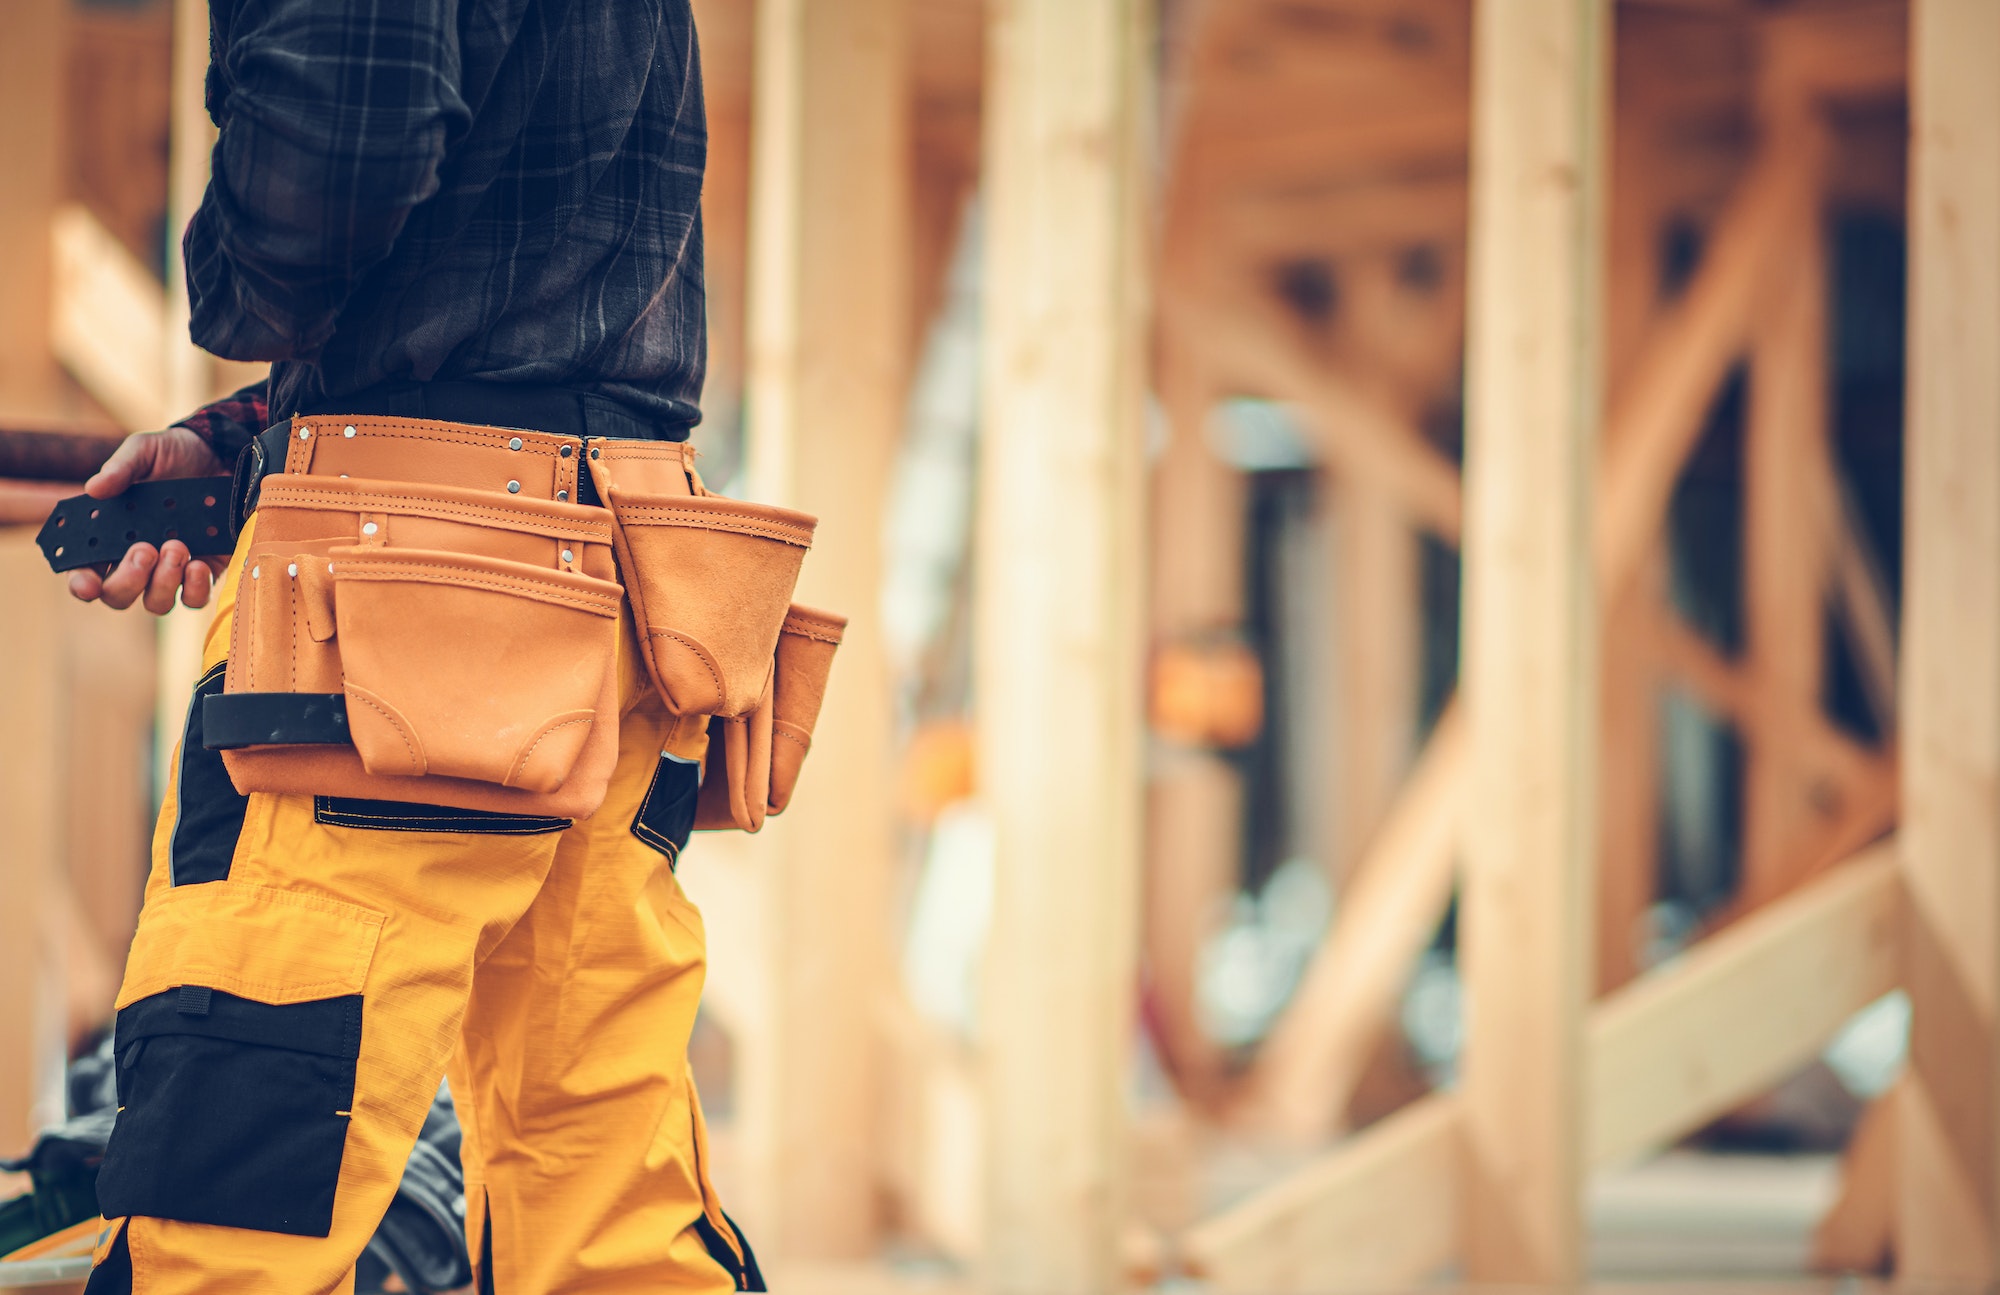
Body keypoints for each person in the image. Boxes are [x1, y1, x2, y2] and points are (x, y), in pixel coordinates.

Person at [70, 2, 763, 1291]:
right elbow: (530, 307)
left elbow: (346, 144)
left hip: (404, 590)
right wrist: (257, 439)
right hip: (620, 558)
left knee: (236, 1196)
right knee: (607, 1198)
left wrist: (243, 301)